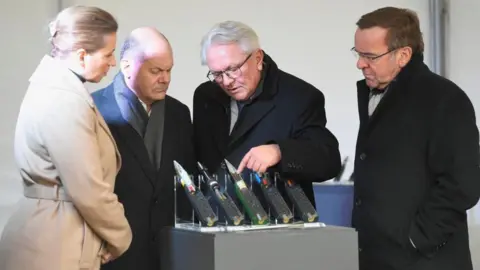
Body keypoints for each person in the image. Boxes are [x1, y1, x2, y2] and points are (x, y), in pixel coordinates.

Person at [0, 5, 132, 270]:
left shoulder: (56, 88)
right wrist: (122, 236)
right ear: (82, 56)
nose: (113, 62)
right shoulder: (65, 100)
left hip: (53, 235)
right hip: (54, 245)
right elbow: (89, 189)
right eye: (108, 54)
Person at [351, 7, 480, 270]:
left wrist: (416, 239)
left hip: (423, 261)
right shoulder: (373, 92)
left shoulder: (445, 100)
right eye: (358, 53)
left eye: (370, 56)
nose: (360, 64)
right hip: (377, 257)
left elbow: (463, 184)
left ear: (403, 55)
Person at [193, 21, 341, 212]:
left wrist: (280, 151)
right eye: (217, 74)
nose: (227, 81)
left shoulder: (299, 97)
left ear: (257, 58)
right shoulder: (206, 95)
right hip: (216, 223)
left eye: (233, 69)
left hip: (274, 227)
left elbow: (328, 161)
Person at [92, 27, 196, 270]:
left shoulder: (179, 114)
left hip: (170, 252)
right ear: (127, 66)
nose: (166, 79)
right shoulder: (94, 110)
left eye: (169, 70)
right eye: (156, 71)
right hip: (113, 252)